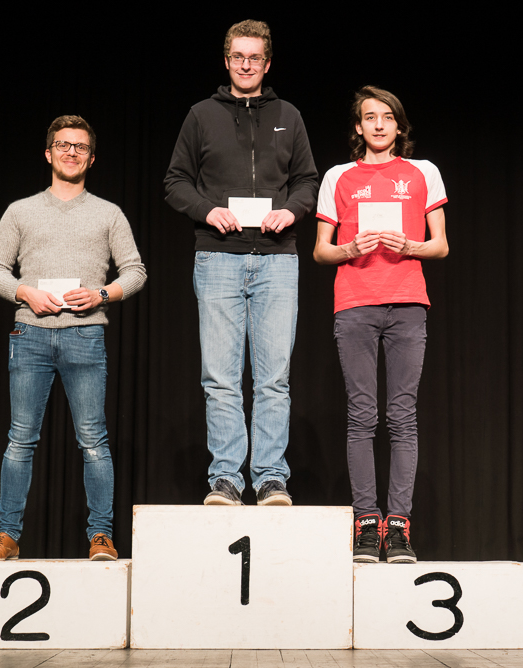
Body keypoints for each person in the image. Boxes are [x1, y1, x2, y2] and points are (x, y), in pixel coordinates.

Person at [164, 20, 318, 506]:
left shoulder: (288, 115)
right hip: (218, 257)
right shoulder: (201, 115)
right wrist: (207, 209)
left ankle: (271, 477)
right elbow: (175, 182)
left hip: (277, 260)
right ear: (226, 60)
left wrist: (289, 212)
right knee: (221, 377)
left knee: (274, 377)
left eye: (254, 58)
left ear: (267, 63)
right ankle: (226, 478)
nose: (246, 65)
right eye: (238, 57)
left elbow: (308, 182)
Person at [0, 115, 146, 561]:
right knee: (21, 439)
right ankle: (7, 535)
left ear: (91, 158)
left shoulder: (108, 213)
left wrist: (102, 294)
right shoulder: (20, 211)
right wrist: (24, 291)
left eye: (80, 147)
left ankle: (101, 536)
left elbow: (135, 271)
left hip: (85, 335)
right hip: (30, 333)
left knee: (93, 439)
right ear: (49, 153)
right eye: (62, 145)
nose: (71, 152)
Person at [313, 86, 449, 563]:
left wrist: (407, 244)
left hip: (408, 303)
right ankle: (366, 524)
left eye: (386, 117)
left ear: (398, 126)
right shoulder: (339, 177)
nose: (377, 125)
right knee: (362, 415)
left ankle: (399, 529)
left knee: (402, 417)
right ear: (358, 127)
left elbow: (441, 245)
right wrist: (351, 248)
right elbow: (321, 250)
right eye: (368, 117)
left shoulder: (422, 173)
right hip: (355, 303)